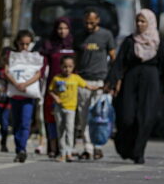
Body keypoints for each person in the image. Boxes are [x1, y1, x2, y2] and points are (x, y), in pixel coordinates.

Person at [106, 9, 164, 164]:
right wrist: (112, 82)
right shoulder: (129, 41)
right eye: (137, 21)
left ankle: (139, 153)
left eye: (143, 21)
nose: (139, 24)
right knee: (126, 117)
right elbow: (119, 64)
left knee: (145, 118)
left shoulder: (158, 41)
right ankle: (125, 147)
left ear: (150, 23)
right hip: (130, 81)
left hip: (151, 83)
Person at [75, 9, 116, 160]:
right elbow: (75, 57)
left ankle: (98, 146)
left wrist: (112, 80)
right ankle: (88, 148)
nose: (89, 25)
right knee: (84, 116)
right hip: (83, 80)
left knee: (98, 116)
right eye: (86, 22)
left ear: (98, 20)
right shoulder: (79, 36)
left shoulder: (106, 35)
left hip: (100, 81)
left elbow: (113, 57)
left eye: (92, 22)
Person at [48, 56, 102, 162]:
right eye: (64, 66)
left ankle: (69, 152)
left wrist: (99, 87)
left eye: (70, 67)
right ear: (60, 66)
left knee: (70, 130)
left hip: (71, 108)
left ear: (73, 67)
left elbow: (87, 86)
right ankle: (62, 152)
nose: (67, 69)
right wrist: (56, 97)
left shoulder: (75, 78)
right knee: (61, 130)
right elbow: (51, 90)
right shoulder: (57, 78)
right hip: (59, 108)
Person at [38, 17, 76, 158]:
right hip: (52, 88)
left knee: (69, 121)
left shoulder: (73, 44)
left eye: (65, 28)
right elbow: (42, 66)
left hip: (70, 89)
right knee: (52, 118)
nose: (62, 31)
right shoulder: (49, 45)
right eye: (60, 28)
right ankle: (53, 148)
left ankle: (67, 148)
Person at [6, 30, 44, 163]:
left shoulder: (34, 56)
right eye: (22, 44)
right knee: (16, 124)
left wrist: (25, 84)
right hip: (15, 95)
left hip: (28, 96)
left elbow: (38, 73)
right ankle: (19, 148)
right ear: (17, 43)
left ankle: (22, 149)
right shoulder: (11, 55)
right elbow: (6, 71)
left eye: (27, 44)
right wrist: (16, 84)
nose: (25, 47)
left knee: (25, 123)